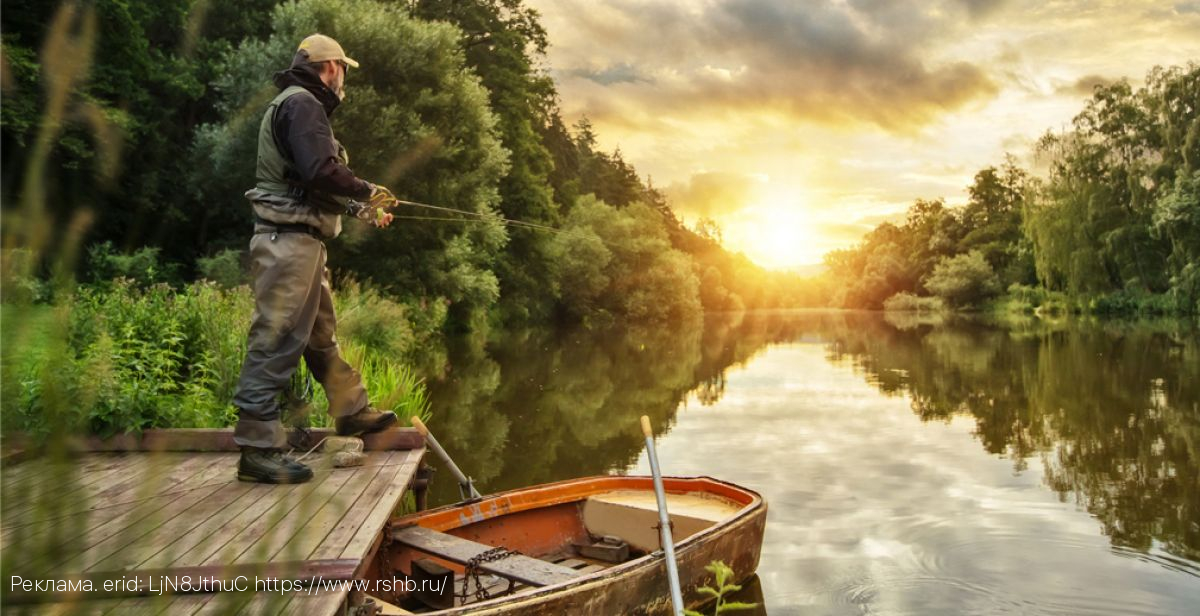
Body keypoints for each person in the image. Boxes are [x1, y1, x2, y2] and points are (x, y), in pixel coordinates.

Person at [232, 34, 399, 484]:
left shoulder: (296, 104)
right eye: (343, 70)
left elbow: (309, 183)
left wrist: (360, 208)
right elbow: (321, 170)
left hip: (299, 242)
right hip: (287, 243)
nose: (344, 79)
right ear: (331, 67)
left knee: (319, 338)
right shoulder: (303, 103)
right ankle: (257, 448)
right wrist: (367, 189)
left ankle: (352, 412)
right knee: (276, 336)